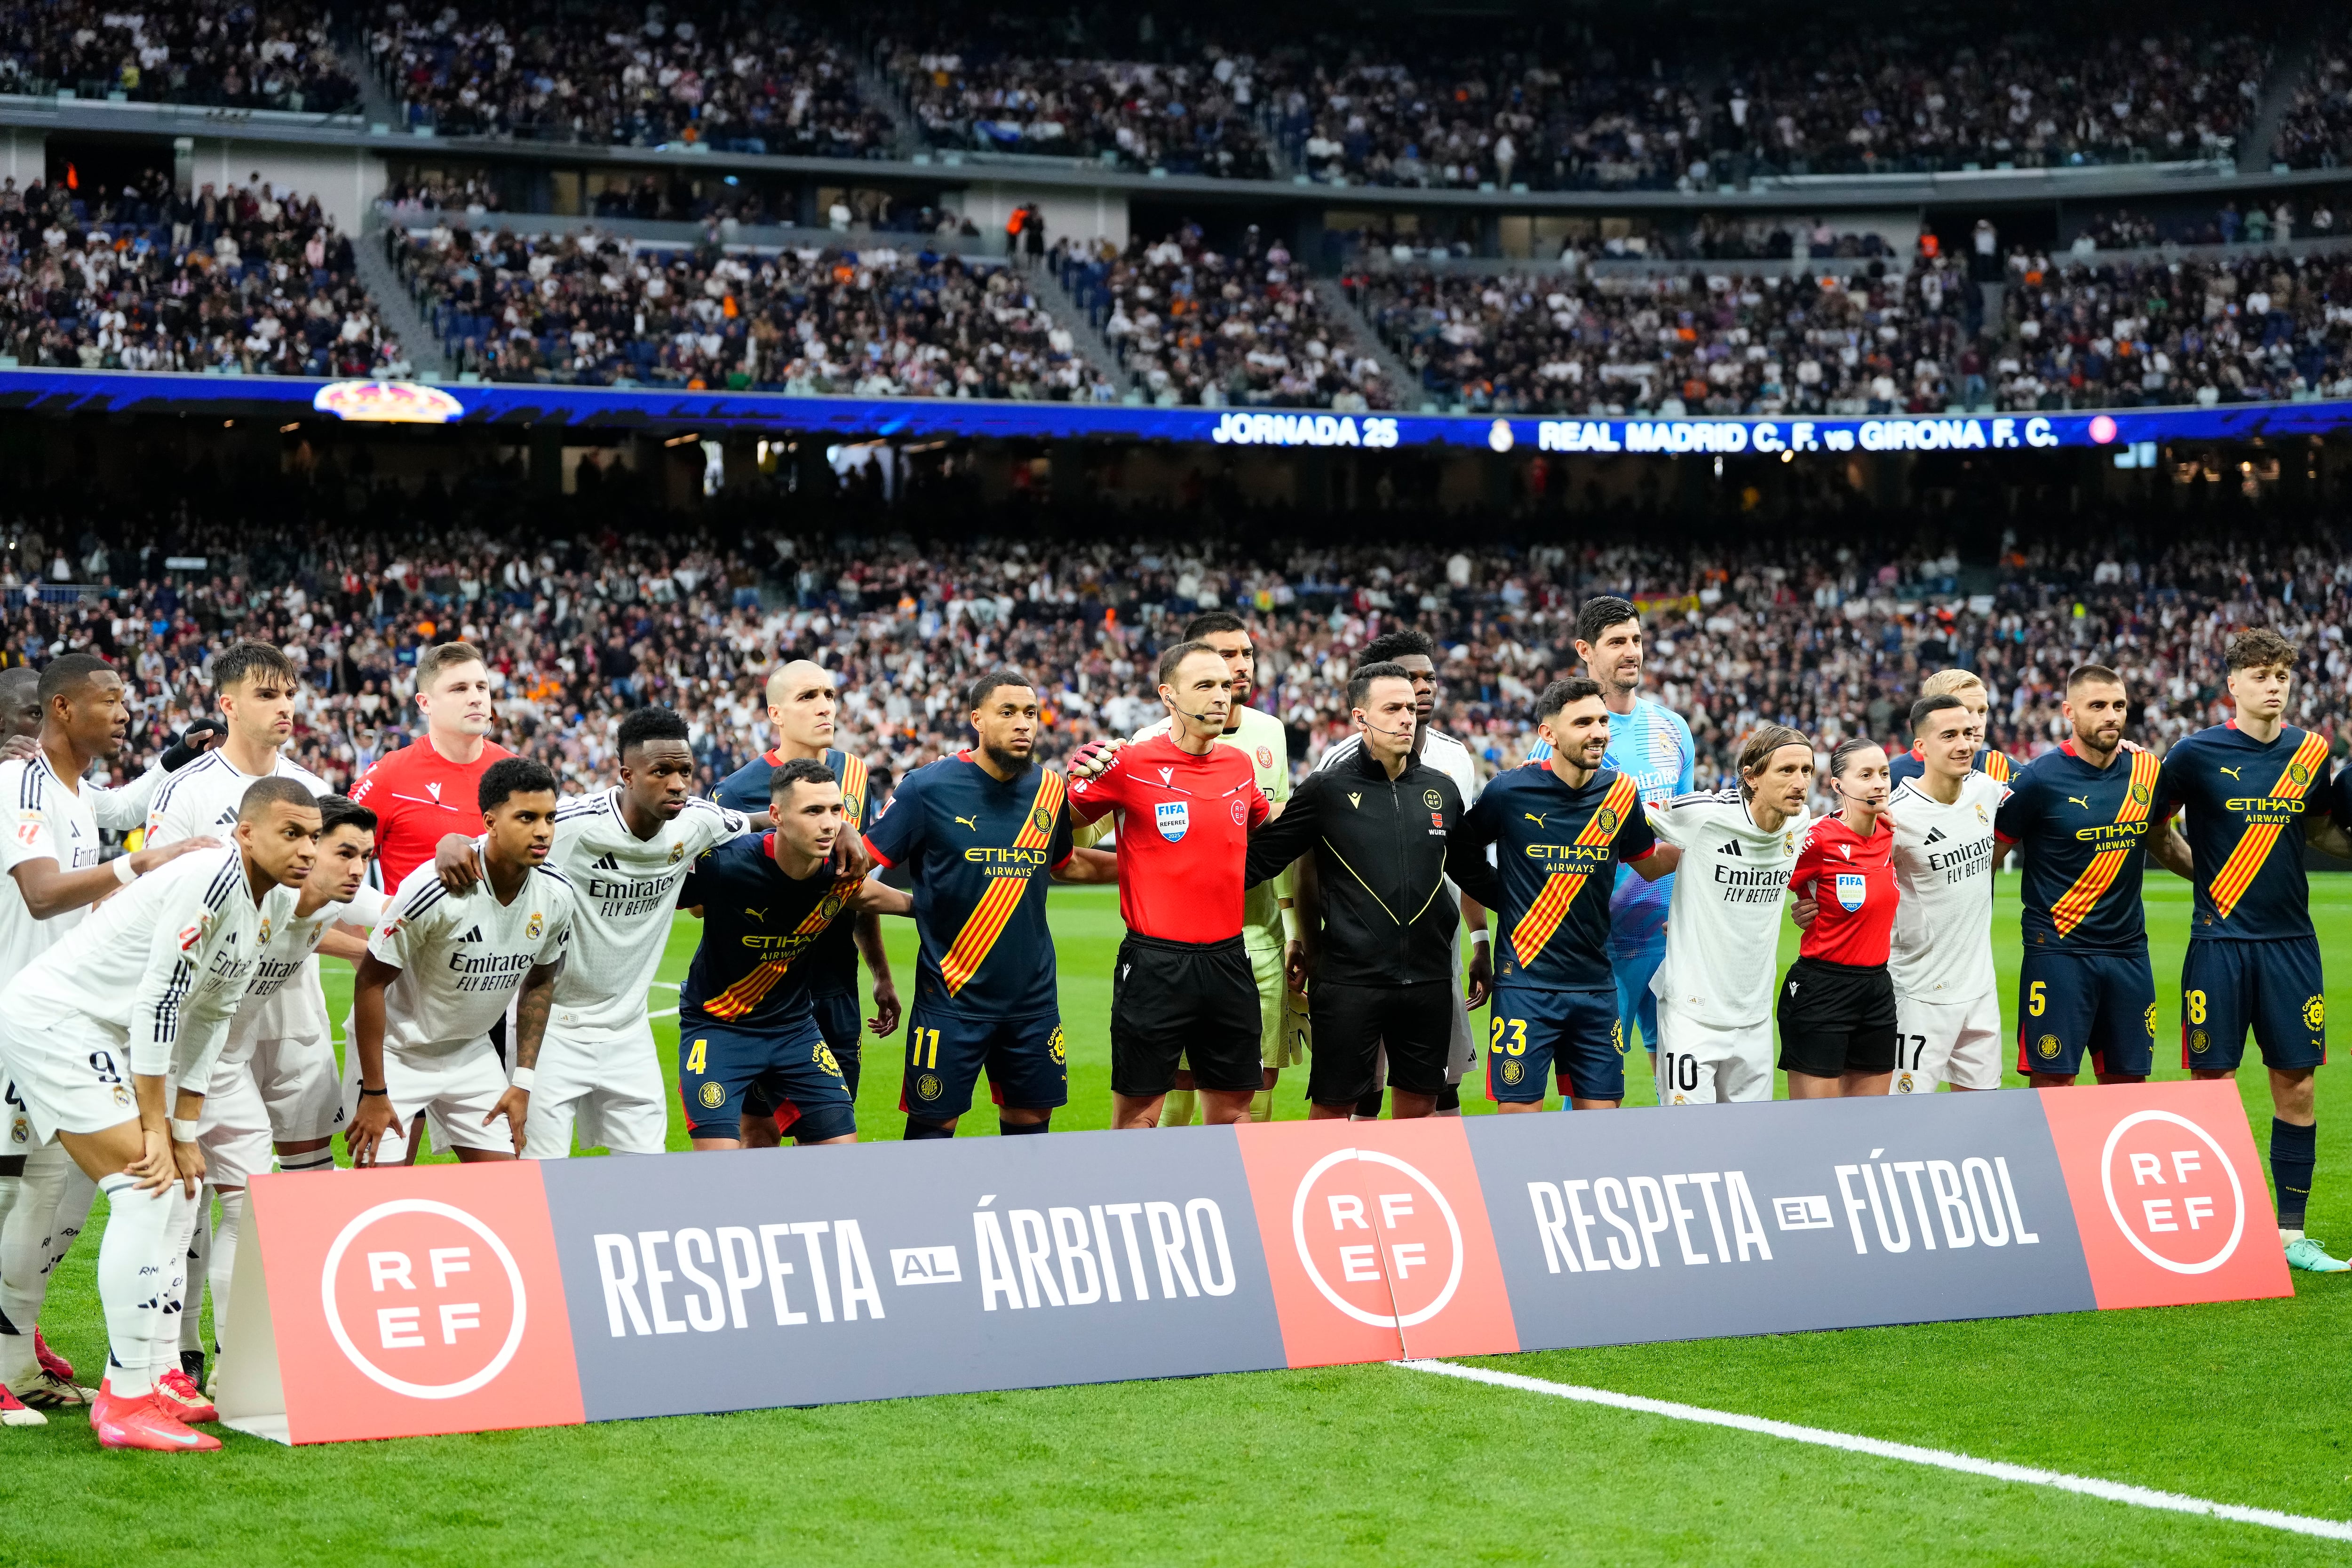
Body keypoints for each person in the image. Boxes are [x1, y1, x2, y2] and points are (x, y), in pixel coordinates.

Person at [0, 777, 316, 1450]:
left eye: (314, 836)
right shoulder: (208, 874)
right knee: (150, 1186)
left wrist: (185, 1130)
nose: (308, 850)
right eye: (292, 833)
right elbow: (160, 1003)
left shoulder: (269, 903)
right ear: (247, 833)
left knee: (180, 1188)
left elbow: (214, 1012)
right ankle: (125, 1399)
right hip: (58, 1022)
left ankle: (154, 1377)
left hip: (94, 1033)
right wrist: (155, 1128)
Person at [0, 655, 219, 1416]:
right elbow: (40, 892)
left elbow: (118, 806)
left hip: (65, 1012)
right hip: (22, 1009)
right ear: (60, 709)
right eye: (111, 699)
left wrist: (176, 760)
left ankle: (18, 1343)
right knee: (20, 1189)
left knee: (57, 1190)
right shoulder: (21, 784)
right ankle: (8, 1355)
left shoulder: (72, 788)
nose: (126, 709)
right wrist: (144, 863)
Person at [2152, 630, 2352, 1273]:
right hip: (2220, 943)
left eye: (2283, 676)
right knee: (2211, 1084)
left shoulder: (2311, 752)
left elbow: (2321, 827)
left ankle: (2291, 1236)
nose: (2274, 685)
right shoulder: (2193, 754)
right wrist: (2205, 876)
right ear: (2232, 684)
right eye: (2261, 674)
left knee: (2296, 1087)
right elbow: (2156, 829)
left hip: (2292, 945)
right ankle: (2220, 1232)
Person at [491, 708, 755, 1158]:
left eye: (685, 771)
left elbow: (762, 824)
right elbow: (494, 843)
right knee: (539, 1172)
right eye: (662, 771)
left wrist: (842, 831)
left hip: (629, 1030)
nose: (677, 783)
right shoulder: (572, 825)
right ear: (626, 775)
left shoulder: (698, 822)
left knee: (646, 1173)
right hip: (553, 1029)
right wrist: (452, 843)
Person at [1242, 663, 1503, 1119]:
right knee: (1332, 1107)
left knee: (1420, 1106)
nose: (1407, 717)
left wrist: (1548, 902)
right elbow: (1260, 862)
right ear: (1360, 718)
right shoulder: (1326, 790)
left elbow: (1475, 875)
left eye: (1410, 707)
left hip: (1428, 981)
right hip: (1349, 983)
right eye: (1393, 709)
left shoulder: (1440, 791)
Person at [183, 796, 381, 1392]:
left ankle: (233, 1363)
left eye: (365, 857)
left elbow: (401, 913)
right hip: (178, 1063)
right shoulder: (244, 898)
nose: (356, 868)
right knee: (171, 1216)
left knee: (249, 1208)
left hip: (226, 1063)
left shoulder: (329, 900)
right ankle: (160, 1363)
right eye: (343, 852)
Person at [864, 671, 1114, 1139]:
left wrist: (1145, 863)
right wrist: (914, 906)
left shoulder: (1049, 789)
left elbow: (1066, 864)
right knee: (932, 1131)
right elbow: (858, 874)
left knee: (1030, 1129)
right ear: (976, 719)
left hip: (1033, 1001)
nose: (1023, 724)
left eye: (1029, 714)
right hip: (950, 1000)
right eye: (1007, 713)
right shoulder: (926, 788)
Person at [1076, 611, 1301, 1127]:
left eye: (1226, 684)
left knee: (1235, 1115)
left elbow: (1264, 835)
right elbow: (1060, 839)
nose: (1222, 694)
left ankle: (1233, 1207)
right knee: (1139, 1117)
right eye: (1206, 684)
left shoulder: (1241, 764)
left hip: (1229, 959)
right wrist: (1074, 787)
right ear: (1168, 696)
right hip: (1156, 963)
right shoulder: (1129, 761)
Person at [144, 640, 339, 1179]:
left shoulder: (317, 791)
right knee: (204, 1184)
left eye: (290, 695)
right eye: (267, 694)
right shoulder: (185, 790)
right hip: (210, 1011)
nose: (285, 707)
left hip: (293, 1000)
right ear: (227, 705)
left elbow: (322, 905)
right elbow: (160, 894)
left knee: (310, 1171)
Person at [1453, 677, 1673, 1112]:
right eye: (1583, 722)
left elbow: (1649, 863)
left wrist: (1705, 839)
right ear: (1549, 734)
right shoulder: (1509, 791)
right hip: (1526, 986)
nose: (1598, 732)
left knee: (1601, 1128)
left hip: (1596, 985)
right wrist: (1505, 897)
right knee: (1519, 1120)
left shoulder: (1620, 792)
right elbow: (1459, 854)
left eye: (1602, 720)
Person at [344, 759, 574, 1168]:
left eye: (550, 818)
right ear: (490, 821)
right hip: (398, 1053)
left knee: (511, 1188)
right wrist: (375, 1092)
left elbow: (540, 981)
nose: (543, 831)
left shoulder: (556, 894)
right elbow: (369, 982)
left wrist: (522, 1082)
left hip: (471, 1053)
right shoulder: (435, 888)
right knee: (377, 1197)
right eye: (527, 817)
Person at [674, 758, 908, 1149]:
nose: (829, 823)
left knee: (841, 1157)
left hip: (794, 1030)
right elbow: (661, 889)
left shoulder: (840, 870)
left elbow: (871, 897)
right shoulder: (724, 866)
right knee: (722, 1173)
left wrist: (937, 906)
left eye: (836, 811)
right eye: (813, 811)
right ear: (776, 816)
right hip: (719, 1028)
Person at [1311, 628, 1488, 1119]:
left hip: (1436, 956)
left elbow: (1465, 860)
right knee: (1360, 1090)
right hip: (1364, 964)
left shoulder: (1454, 758)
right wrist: (1306, 940)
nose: (1422, 689)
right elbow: (1315, 863)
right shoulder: (1338, 764)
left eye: (1429, 678)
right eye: (1410, 680)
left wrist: (1479, 941)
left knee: (1438, 1086)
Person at [715, 660, 897, 1122]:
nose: (824, 708)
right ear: (776, 714)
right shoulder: (735, 793)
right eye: (807, 697)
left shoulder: (854, 775)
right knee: (760, 1134)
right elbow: (709, 906)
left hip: (835, 985)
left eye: (829, 695)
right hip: (761, 992)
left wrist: (880, 973)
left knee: (831, 1133)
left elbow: (857, 885)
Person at [1993, 665, 2187, 1091]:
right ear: (2069, 712)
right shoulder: (2038, 779)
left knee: (2127, 1084)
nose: (2112, 715)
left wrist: (2221, 882)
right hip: (2058, 952)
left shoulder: (2146, 772)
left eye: (2119, 705)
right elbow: (1990, 857)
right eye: (2097, 706)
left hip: (2129, 952)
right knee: (2053, 1084)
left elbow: (2166, 843)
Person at [1531, 597, 1698, 1069]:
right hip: (1596, 945)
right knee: (1589, 1094)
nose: (1632, 652)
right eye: (1616, 642)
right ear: (1585, 649)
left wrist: (1690, 913)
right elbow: (1543, 845)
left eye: (1636, 640)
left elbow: (1682, 834)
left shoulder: (1672, 729)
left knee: (1682, 1083)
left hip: (1668, 938)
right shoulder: (1561, 737)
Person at [1645, 725, 1817, 1105]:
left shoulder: (1800, 822)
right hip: (1692, 1012)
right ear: (1751, 776)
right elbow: (1628, 813)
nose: (1800, 781)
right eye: (1787, 770)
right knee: (1690, 1144)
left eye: (1807, 770)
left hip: (1754, 1019)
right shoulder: (1706, 814)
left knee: (1746, 1144)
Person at [1884, 693, 2009, 1094]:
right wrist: (1813, 901)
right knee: (1902, 1117)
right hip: (1919, 994)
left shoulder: (1987, 790)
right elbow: (1837, 857)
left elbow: (2050, 774)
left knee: (1981, 1110)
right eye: (1950, 735)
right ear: (1920, 747)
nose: (1964, 745)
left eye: (1970, 734)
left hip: (1980, 989)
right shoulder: (1896, 815)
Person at [1778, 739, 1898, 1099]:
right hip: (1822, 988)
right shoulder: (1817, 838)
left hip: (1877, 989)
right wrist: (1801, 902)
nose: (1879, 782)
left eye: (1884, 773)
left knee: (1868, 1127)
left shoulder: (1890, 832)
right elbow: (1769, 878)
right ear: (1838, 785)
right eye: (1866, 775)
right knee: (1814, 1131)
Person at [349, 641, 512, 890]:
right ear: (425, 703)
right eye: (459, 689)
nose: (476, 699)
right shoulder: (389, 776)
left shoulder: (515, 773)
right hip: (420, 929)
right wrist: (376, 916)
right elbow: (333, 865)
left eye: (482, 687)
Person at [1887, 668, 2016, 787]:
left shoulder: (2001, 768)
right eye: (1966, 711)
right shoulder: (1892, 778)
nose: (1977, 723)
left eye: (1982, 711)